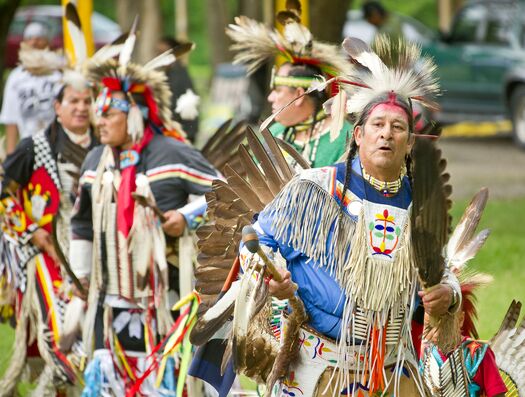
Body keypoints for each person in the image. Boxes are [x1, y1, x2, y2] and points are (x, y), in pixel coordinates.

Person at [229, 37, 461, 396]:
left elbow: (442, 269)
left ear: (410, 141)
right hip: (317, 365)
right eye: (377, 125)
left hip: (392, 366)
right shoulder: (315, 189)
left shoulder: (420, 208)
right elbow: (255, 240)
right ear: (358, 134)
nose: (386, 134)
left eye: (397, 127)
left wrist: (449, 293)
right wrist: (272, 277)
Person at [70, 35, 219, 396]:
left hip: (166, 297)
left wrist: (185, 218)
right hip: (111, 297)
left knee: (166, 378)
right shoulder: (95, 161)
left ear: (134, 114)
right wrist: (82, 276)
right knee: (111, 379)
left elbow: (222, 193)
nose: (99, 121)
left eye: (109, 113)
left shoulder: (172, 153)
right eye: (97, 113)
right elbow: (82, 223)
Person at [0, 72, 97, 395]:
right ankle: (54, 385)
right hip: (49, 253)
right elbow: (5, 195)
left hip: (97, 250)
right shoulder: (35, 147)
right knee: (60, 329)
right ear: (57, 107)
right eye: (73, 101)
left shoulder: (105, 147)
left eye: (87, 101)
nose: (81, 108)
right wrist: (31, 232)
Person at [226, 2, 353, 167]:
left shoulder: (345, 138)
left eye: (278, 90)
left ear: (299, 95)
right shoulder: (274, 133)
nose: (271, 97)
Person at [0, 22, 64, 154]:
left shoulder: (57, 76)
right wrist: (11, 155)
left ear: (47, 42)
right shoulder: (16, 77)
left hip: (55, 146)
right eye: (30, 37)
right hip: (27, 146)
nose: (34, 42)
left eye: (39, 37)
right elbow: (11, 118)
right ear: (24, 43)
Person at [156, 36, 200, 143]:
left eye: (163, 52)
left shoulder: (178, 74)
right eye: (158, 52)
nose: (159, 56)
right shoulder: (170, 73)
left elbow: (173, 103)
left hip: (182, 131)